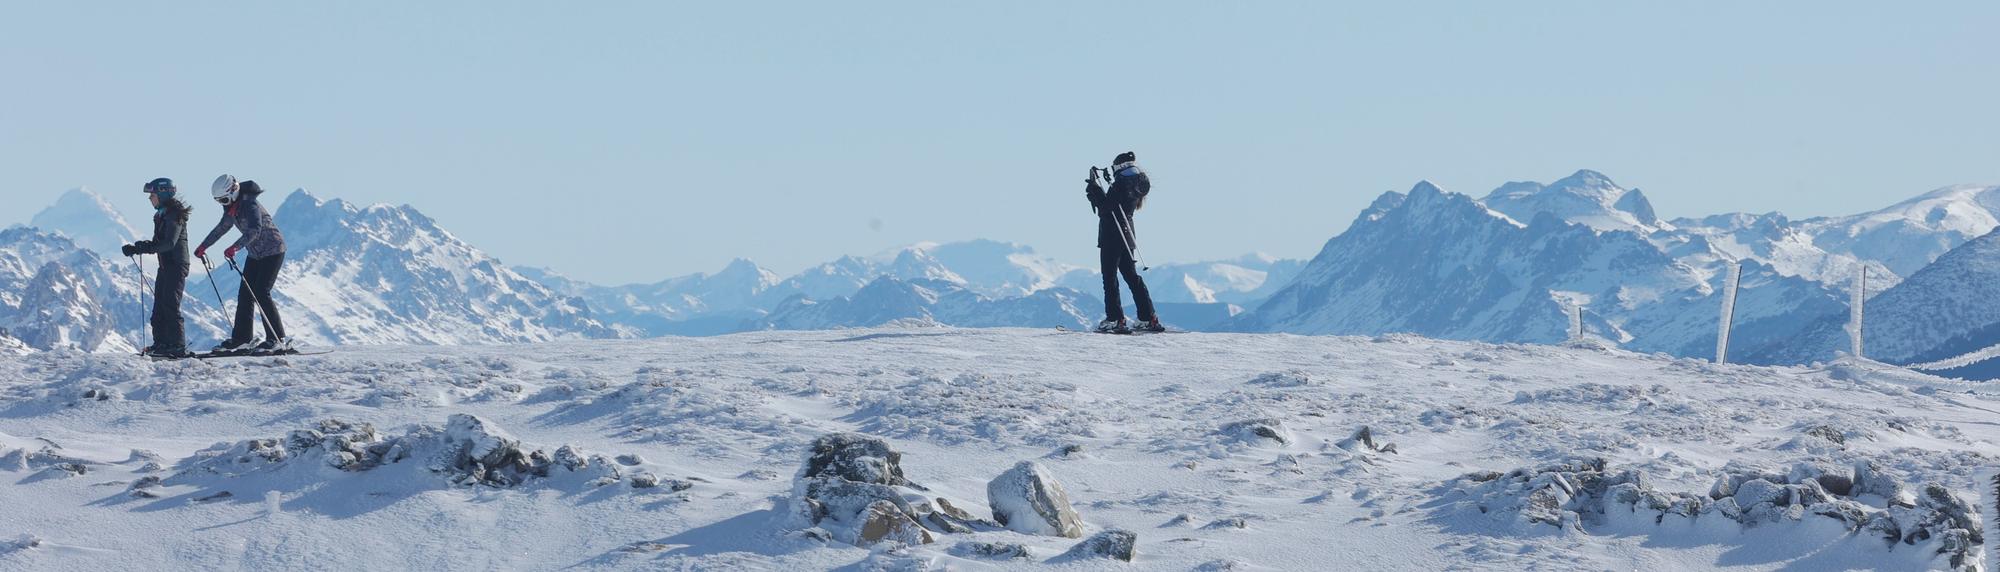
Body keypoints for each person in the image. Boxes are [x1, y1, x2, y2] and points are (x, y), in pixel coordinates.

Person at [195, 174, 291, 354]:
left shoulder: (249, 204)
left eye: (224, 199)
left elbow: (255, 229)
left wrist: (235, 247)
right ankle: (242, 339)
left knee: (262, 292)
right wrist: (203, 246)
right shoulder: (232, 207)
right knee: (245, 295)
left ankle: (277, 338)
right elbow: (222, 228)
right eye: (219, 201)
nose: (223, 204)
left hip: (273, 250)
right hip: (255, 254)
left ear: (233, 192)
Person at [1084, 151, 1163, 333]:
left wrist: (1094, 190)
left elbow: (1106, 209)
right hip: (1128, 235)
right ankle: (1148, 317)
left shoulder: (1120, 184)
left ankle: (1115, 319)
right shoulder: (1138, 184)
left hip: (1112, 235)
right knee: (1131, 276)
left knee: (1109, 278)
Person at [121, 178, 193, 358]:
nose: (150, 198)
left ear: (162, 194)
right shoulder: (161, 214)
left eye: (152, 195)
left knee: (170, 304)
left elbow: (169, 243)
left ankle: (177, 345)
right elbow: (158, 243)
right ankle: (162, 343)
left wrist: (145, 248)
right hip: (165, 265)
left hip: (176, 264)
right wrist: (138, 247)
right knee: (159, 305)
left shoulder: (174, 214)